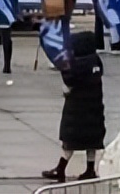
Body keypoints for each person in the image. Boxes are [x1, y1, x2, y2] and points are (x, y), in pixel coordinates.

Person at [42, 31, 106, 182]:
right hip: (95, 107)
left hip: (77, 108)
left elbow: (69, 80)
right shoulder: (95, 61)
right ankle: (90, 169)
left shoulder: (76, 64)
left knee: (69, 140)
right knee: (92, 141)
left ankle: (61, 168)